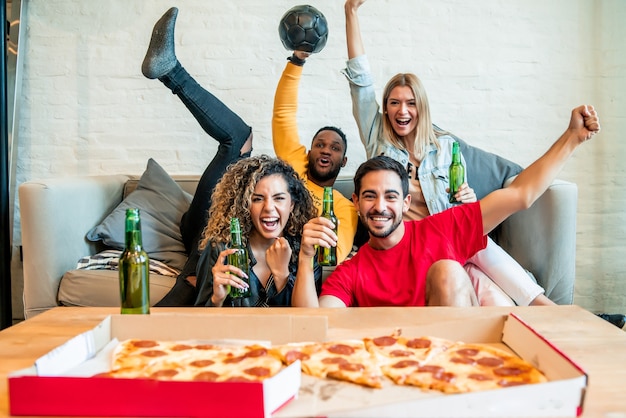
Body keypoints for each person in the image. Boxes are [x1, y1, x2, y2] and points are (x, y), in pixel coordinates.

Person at [341, 0, 552, 306]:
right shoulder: (378, 139)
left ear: (421, 107)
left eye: (411, 103)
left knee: (497, 296)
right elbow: (360, 81)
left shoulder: (446, 148)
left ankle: (543, 311)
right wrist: (351, 13)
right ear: (385, 109)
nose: (402, 111)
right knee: (483, 265)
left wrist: (468, 200)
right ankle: (544, 308)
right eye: (394, 103)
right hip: (412, 244)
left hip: (448, 242)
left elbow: (459, 204)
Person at [292, 104, 600, 308]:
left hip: (457, 356)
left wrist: (571, 138)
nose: (380, 206)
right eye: (370, 196)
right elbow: (318, 324)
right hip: (394, 366)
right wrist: (305, 257)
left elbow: (520, 194)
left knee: (447, 270)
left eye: (390, 196)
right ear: (356, 202)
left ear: (405, 202)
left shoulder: (440, 229)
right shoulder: (353, 270)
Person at [194, 155, 320, 307]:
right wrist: (216, 299)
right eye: (257, 199)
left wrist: (281, 276)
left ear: (292, 204)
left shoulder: (306, 251)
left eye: (279, 198)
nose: (268, 207)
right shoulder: (221, 250)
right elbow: (200, 321)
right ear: (245, 205)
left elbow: (308, 322)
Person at [272, 53, 358, 263]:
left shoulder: (342, 206)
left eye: (335, 148)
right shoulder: (295, 168)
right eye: (320, 145)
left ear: (344, 161)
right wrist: (297, 61)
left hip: (297, 265)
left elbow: (334, 256)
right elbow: (283, 114)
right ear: (309, 154)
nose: (326, 150)